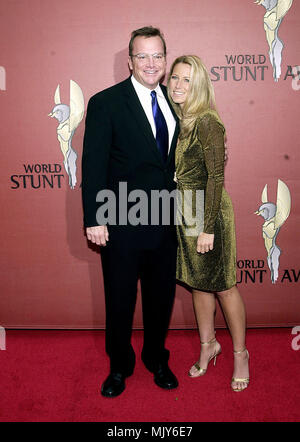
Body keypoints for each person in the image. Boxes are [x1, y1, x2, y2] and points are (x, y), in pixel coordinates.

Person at [81, 27, 180, 398]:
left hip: (165, 221)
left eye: (157, 56)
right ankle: (119, 366)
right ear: (130, 61)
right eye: (143, 56)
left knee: (160, 298)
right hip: (120, 219)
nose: (150, 63)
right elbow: (93, 165)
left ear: (166, 60)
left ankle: (157, 358)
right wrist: (94, 217)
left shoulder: (177, 101)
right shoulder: (105, 102)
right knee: (120, 298)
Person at [167, 55, 250, 392]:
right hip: (186, 210)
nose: (178, 85)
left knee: (224, 285)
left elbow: (216, 177)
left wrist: (209, 227)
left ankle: (241, 354)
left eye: (187, 79)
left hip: (208, 213)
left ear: (199, 85)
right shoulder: (179, 118)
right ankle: (208, 346)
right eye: (175, 78)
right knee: (198, 283)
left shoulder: (207, 122)